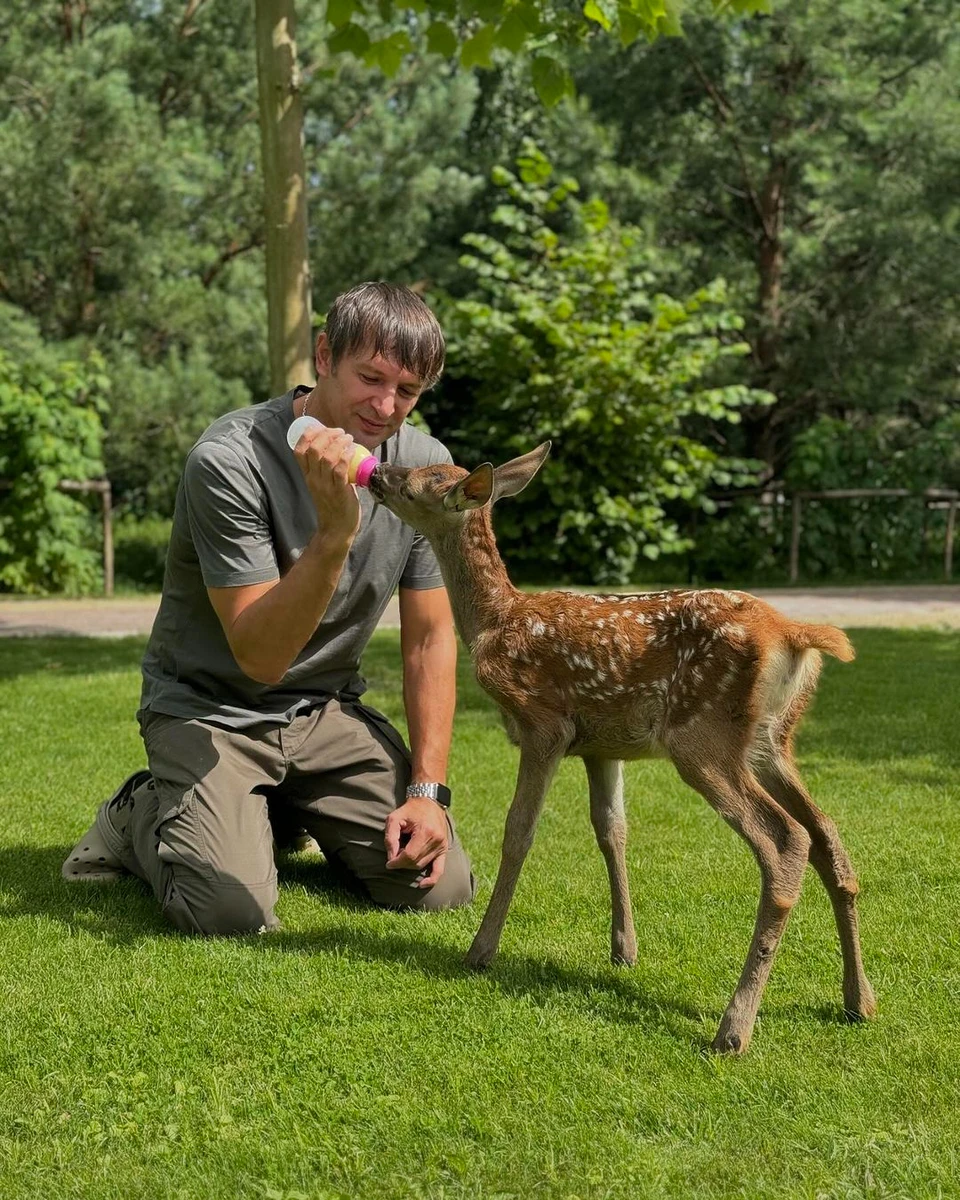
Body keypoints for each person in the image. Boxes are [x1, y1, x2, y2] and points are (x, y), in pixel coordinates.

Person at [62, 282, 475, 933]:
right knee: (230, 910)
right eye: (370, 378)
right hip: (210, 708)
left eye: (408, 391)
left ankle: (280, 809)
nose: (386, 406)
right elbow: (260, 657)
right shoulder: (229, 462)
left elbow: (429, 639)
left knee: (436, 886)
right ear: (323, 354)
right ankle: (138, 812)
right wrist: (334, 533)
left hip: (325, 709)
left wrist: (428, 792)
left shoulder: (425, 466)